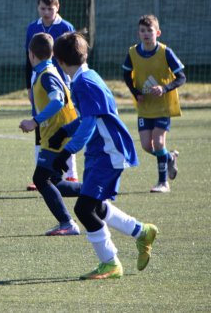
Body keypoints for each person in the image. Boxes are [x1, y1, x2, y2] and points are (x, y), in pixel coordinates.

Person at [50, 32, 158, 280]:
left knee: (85, 208)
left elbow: (89, 123)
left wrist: (66, 152)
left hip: (108, 152)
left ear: (60, 61)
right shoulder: (88, 76)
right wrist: (65, 131)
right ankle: (142, 232)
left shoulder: (83, 83)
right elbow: (92, 116)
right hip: (102, 151)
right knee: (96, 205)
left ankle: (110, 263)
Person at [19, 33, 81, 236]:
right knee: (53, 181)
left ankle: (67, 222)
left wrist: (34, 121)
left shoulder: (46, 74)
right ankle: (94, 191)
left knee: (41, 179)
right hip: (53, 132)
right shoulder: (44, 71)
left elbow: (57, 100)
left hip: (57, 133)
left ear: (31, 54)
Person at [122, 15, 186, 193]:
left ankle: (163, 183)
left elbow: (181, 77)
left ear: (157, 32)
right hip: (145, 107)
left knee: (158, 143)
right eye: (143, 31)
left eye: (150, 31)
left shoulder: (165, 52)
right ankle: (169, 157)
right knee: (146, 146)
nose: (146, 34)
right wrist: (135, 92)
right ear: (138, 33)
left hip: (162, 106)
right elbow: (126, 75)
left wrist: (164, 89)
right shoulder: (133, 52)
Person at [24, 0, 78, 191]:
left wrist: (72, 81)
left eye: (50, 8)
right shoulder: (32, 28)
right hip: (38, 82)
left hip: (60, 83)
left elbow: (73, 56)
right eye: (42, 8)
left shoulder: (66, 27)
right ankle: (42, 172)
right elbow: (27, 58)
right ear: (38, 7)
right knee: (40, 126)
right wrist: (29, 86)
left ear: (58, 8)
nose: (46, 12)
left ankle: (72, 175)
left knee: (64, 125)